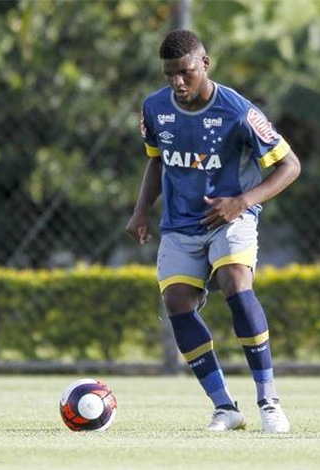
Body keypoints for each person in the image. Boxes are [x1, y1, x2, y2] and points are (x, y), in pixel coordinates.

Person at [126, 30, 301, 433]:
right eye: (170, 74)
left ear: (204, 64)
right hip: (180, 224)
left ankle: (269, 401)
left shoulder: (239, 111)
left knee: (236, 286)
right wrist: (140, 211)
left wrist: (241, 201)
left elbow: (290, 166)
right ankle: (225, 407)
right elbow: (156, 161)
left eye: (185, 72)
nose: (178, 82)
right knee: (177, 302)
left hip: (232, 217)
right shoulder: (154, 108)